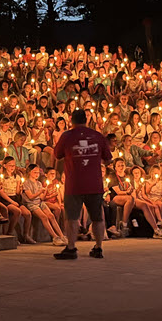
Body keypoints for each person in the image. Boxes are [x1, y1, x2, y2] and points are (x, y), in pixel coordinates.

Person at [54, 109, 112, 259]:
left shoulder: (67, 136)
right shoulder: (97, 136)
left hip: (74, 184)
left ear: (71, 121)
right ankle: (98, 248)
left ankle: (71, 248)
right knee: (97, 217)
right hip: (95, 183)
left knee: (72, 217)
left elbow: (57, 154)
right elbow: (108, 158)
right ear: (86, 120)